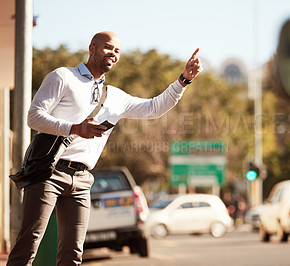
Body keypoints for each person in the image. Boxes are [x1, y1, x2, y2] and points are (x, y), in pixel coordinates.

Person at [7, 31, 202, 266]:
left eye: (118, 50)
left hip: (82, 179)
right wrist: (74, 128)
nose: (113, 53)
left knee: (72, 254)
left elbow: (154, 108)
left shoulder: (116, 98)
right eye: (108, 47)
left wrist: (183, 81)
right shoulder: (63, 77)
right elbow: (34, 117)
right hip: (49, 172)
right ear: (92, 48)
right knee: (29, 243)